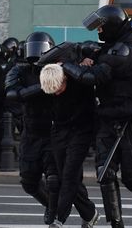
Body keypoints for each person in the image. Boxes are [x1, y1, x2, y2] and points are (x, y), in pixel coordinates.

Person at [70, 5, 132, 228]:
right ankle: (116, 225)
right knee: (105, 174)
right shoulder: (114, 47)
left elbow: (93, 77)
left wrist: (67, 66)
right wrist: (81, 52)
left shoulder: (125, 51)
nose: (99, 31)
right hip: (107, 118)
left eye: (102, 27)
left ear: (112, 26)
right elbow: (99, 53)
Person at [5, 31, 57, 225]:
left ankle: (54, 212)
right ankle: (50, 204)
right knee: (28, 182)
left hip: (53, 131)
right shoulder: (20, 69)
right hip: (31, 130)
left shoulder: (58, 69)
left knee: (53, 179)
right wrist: (41, 88)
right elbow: (11, 93)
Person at [39, 64, 100, 228]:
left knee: (69, 175)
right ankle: (89, 212)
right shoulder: (51, 87)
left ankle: (59, 219)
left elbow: (92, 110)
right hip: (59, 131)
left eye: (58, 88)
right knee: (66, 176)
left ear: (64, 78)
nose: (56, 93)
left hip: (81, 131)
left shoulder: (80, 84)